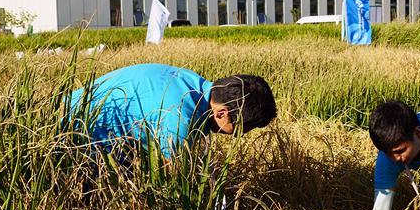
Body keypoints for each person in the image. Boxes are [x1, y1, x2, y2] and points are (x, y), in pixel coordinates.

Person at [68, 63, 276, 159]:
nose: (240, 135)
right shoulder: (179, 120)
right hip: (69, 139)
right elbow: (169, 189)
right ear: (221, 113)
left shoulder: (191, 83)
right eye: (243, 128)